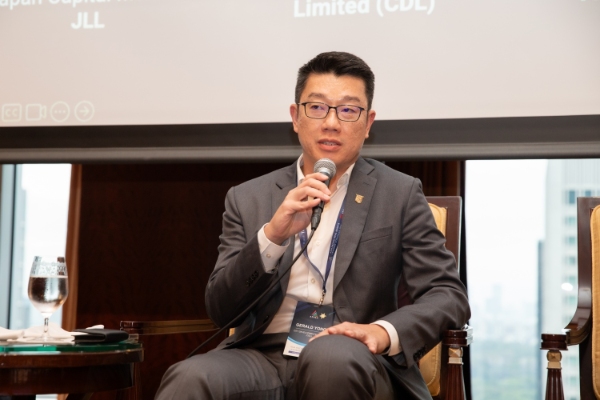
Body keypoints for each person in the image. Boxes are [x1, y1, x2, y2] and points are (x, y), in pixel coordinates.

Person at [155, 51, 470, 400]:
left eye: (348, 110)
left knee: (329, 358)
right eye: (317, 107)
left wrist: (382, 332)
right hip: (260, 356)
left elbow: (448, 295)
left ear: (368, 123)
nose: (331, 122)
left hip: (354, 357)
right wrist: (272, 237)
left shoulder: (399, 193)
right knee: (189, 377)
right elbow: (221, 310)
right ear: (295, 117)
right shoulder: (247, 198)